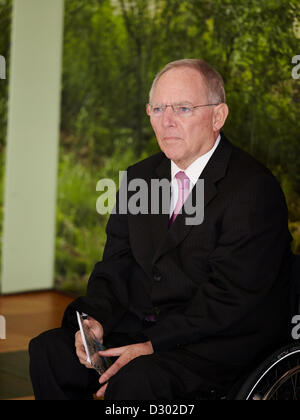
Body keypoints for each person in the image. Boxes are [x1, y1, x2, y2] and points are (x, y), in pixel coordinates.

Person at [29, 59, 293, 400]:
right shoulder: (140, 178)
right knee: (51, 352)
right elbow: (116, 266)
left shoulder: (253, 189)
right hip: (144, 326)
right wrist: (96, 319)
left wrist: (151, 345)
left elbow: (229, 299)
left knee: (137, 381)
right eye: (157, 108)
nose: (167, 121)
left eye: (183, 108)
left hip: (216, 342)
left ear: (218, 117)